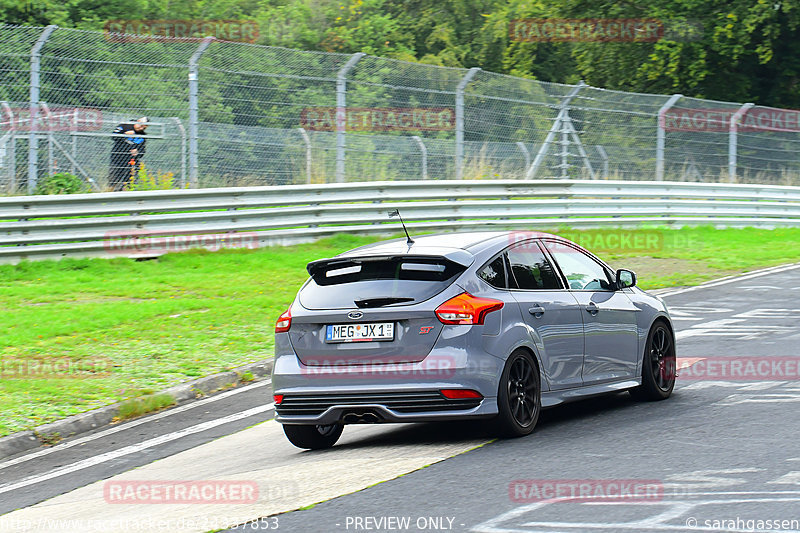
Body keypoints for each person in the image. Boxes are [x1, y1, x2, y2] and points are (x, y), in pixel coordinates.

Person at [108, 117, 148, 191]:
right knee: (113, 180)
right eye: (141, 125)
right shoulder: (125, 126)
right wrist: (124, 134)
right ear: (138, 121)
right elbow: (113, 136)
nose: (141, 128)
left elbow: (142, 151)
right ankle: (110, 192)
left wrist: (137, 152)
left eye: (144, 127)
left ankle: (124, 193)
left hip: (130, 162)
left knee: (128, 182)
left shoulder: (142, 135)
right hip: (117, 158)